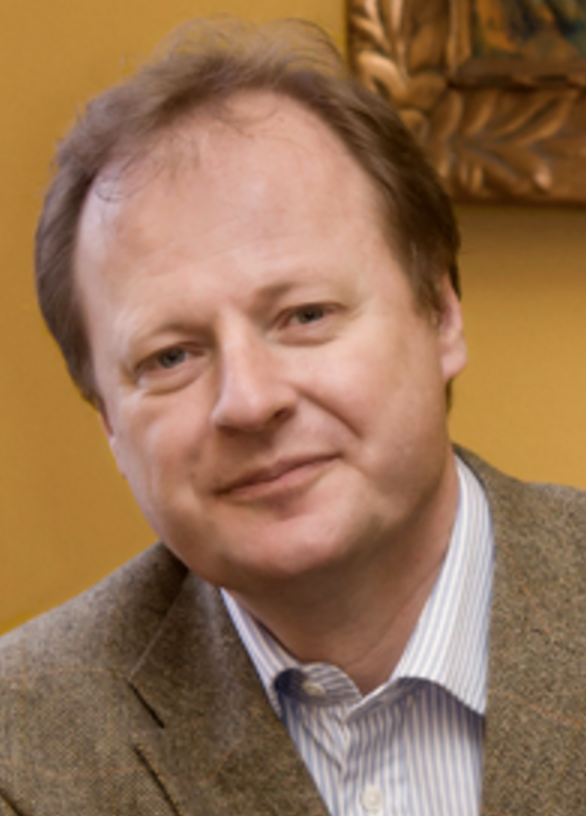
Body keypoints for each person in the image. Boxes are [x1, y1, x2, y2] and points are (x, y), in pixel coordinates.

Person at [1, 17, 585, 816]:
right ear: (107, 419)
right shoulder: (22, 755)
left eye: (305, 315)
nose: (248, 401)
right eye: (170, 357)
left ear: (441, 315)